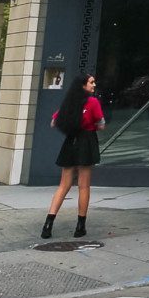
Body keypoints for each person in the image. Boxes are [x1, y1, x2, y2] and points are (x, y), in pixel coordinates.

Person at [42, 74, 104, 239]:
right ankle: (80, 226)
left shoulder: (70, 102)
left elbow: (54, 122)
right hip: (86, 142)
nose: (94, 85)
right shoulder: (93, 102)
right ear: (83, 85)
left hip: (70, 142)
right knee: (84, 186)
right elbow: (101, 124)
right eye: (91, 82)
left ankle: (48, 224)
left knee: (63, 185)